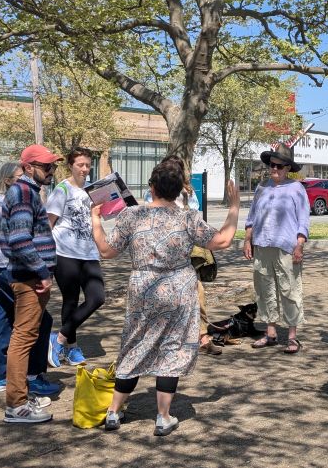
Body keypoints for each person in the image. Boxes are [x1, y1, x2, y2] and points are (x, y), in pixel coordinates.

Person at [91, 159, 240, 435]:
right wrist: (234, 207)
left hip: (143, 288)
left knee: (135, 344)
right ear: (179, 190)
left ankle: (113, 411)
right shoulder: (187, 218)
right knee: (173, 347)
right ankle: (163, 416)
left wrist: (96, 219)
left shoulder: (132, 215)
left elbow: (106, 251)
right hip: (178, 289)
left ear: (152, 187)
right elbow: (222, 240)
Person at [0, 162, 56, 397]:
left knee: (4, 320)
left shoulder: (19, 200)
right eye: (19, 176)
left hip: (7, 270)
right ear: (8, 180)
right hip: (10, 270)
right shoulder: (7, 204)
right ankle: (32, 376)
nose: (24, 180)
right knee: (39, 322)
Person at [0, 144, 62, 424]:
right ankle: (17, 405)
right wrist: (43, 272)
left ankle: (20, 396)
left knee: (25, 336)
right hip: (29, 279)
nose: (51, 170)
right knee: (23, 338)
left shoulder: (28, 191)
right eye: (46, 166)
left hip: (30, 276)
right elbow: (20, 240)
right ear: (28, 167)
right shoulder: (23, 192)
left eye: (52, 166)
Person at [141, 155, 218, 356]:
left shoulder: (188, 192)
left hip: (185, 252)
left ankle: (202, 337)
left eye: (177, 169)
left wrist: (183, 200)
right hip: (161, 253)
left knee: (197, 291)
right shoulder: (152, 191)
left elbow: (194, 218)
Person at [243, 143, 310, 354]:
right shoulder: (261, 187)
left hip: (287, 247)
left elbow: (303, 220)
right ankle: (270, 333)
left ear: (288, 168)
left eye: (279, 166)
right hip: (262, 245)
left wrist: (299, 244)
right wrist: (247, 240)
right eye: (272, 165)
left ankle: (292, 337)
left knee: (290, 290)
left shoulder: (296, 188)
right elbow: (251, 217)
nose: (274, 169)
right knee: (265, 290)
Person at [46, 147, 105, 368]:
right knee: (70, 301)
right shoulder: (62, 190)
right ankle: (71, 349)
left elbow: (101, 217)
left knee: (97, 298)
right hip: (65, 252)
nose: (85, 169)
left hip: (89, 253)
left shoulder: (93, 190)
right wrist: (45, 256)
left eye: (88, 165)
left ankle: (59, 339)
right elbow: (48, 224)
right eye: (80, 165)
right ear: (70, 165)